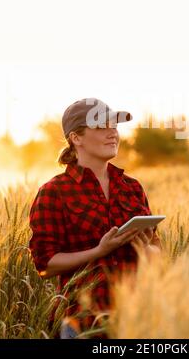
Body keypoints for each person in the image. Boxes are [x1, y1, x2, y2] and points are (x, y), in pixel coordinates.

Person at [29, 98, 162, 339]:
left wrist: (147, 250)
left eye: (114, 125)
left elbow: (157, 250)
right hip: (82, 323)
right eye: (101, 126)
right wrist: (98, 251)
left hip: (135, 320)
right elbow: (45, 265)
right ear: (76, 138)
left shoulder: (132, 187)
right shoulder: (54, 191)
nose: (112, 132)